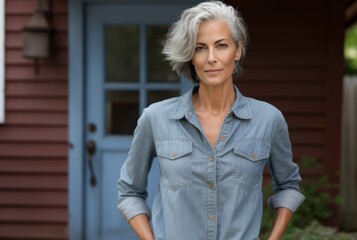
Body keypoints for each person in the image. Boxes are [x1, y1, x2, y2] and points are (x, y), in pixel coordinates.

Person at [117, 1, 305, 239]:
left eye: (221, 45)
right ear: (191, 56)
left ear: (237, 50)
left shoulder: (269, 119)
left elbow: (288, 185)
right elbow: (129, 191)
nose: (211, 58)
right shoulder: (156, 118)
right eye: (200, 48)